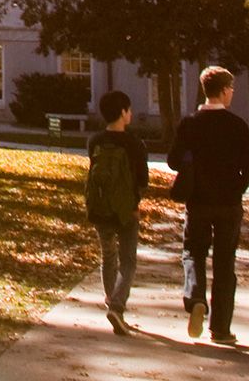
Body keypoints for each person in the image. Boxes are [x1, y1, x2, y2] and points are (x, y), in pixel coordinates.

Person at [167, 64, 249, 345]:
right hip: (228, 202)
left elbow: (172, 160)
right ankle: (221, 327)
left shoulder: (190, 123)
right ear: (225, 90)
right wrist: (235, 188)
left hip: (199, 200)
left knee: (193, 252)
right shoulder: (237, 125)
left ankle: (195, 298)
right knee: (225, 262)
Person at [84, 88, 148, 336]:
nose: (130, 114)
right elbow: (143, 178)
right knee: (128, 260)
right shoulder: (134, 143)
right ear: (123, 112)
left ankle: (110, 300)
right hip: (126, 210)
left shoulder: (94, 141)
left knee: (108, 256)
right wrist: (134, 200)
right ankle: (118, 306)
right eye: (129, 109)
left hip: (100, 209)